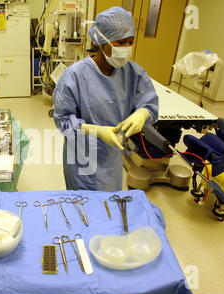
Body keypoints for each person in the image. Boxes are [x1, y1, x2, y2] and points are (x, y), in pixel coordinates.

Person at [53, 6, 159, 191]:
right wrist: (95, 130)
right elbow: (63, 120)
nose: (126, 48)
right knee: (82, 207)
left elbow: (150, 105)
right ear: (102, 42)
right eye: (120, 42)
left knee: (109, 201)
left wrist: (142, 113)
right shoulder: (75, 76)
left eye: (130, 42)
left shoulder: (133, 73)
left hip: (111, 155)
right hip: (81, 158)